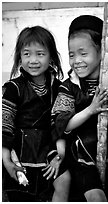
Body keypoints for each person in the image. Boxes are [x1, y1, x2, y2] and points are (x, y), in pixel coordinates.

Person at [51, 15, 108, 201]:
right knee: (96, 197)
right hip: (81, 158)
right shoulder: (68, 87)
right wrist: (91, 109)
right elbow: (61, 126)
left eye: (83, 53)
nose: (76, 60)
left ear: (102, 52)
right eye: (71, 55)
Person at [2, 25, 70, 202]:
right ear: (19, 57)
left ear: (52, 57)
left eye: (40, 54)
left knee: (64, 181)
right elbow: (4, 126)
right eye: (26, 54)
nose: (33, 60)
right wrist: (6, 161)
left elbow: (60, 125)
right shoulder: (13, 88)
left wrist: (60, 156)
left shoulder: (59, 88)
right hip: (20, 154)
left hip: (49, 153)